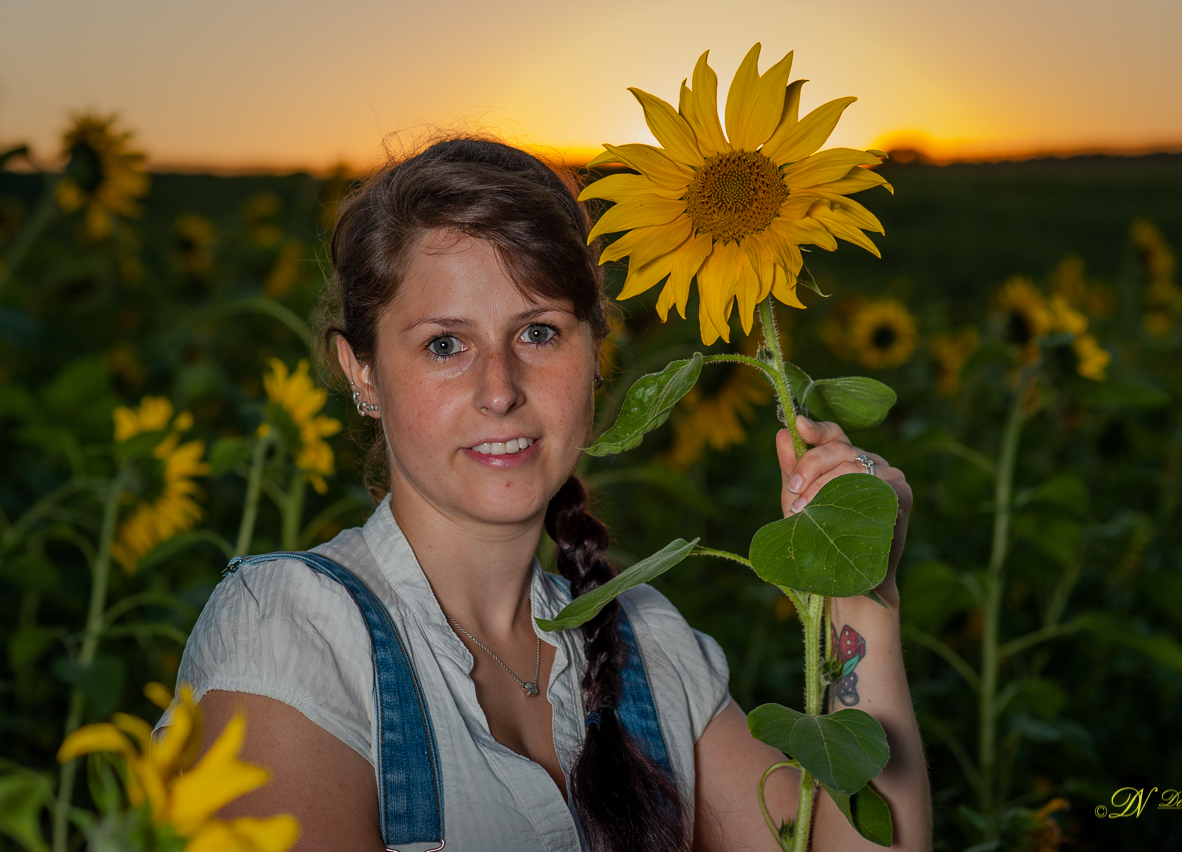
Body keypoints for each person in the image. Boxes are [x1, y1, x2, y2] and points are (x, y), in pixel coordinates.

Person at [161, 137, 932, 851]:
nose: (499, 390)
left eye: (538, 333)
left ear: (597, 347)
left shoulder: (648, 648)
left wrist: (861, 590)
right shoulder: (294, 631)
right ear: (362, 371)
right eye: (444, 345)